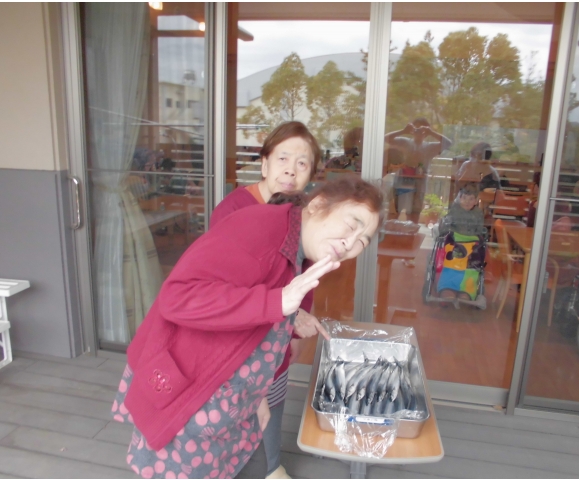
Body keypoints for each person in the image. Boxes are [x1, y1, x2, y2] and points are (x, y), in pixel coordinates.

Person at [111, 175, 383, 479]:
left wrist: (257, 393)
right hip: (189, 397)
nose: (351, 243)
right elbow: (178, 296)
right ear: (318, 205)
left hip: (231, 397)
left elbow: (251, 307)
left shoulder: (303, 254)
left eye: (363, 241)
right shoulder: (261, 228)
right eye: (352, 224)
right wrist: (279, 302)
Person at [209, 121, 321, 479]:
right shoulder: (234, 210)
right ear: (264, 164)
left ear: (310, 174)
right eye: (283, 158)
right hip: (233, 332)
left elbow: (307, 273)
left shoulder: (303, 213)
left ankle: (271, 466)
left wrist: (296, 326)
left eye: (302, 163)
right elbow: (219, 285)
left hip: (279, 329)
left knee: (273, 394)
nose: (290, 169)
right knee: (229, 408)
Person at [384, 118, 453, 216]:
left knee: (416, 212)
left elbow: (448, 143)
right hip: (402, 182)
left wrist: (431, 132)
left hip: (420, 184)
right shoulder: (404, 142)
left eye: (422, 130)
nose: (419, 132)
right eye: (416, 129)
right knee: (397, 211)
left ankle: (413, 225)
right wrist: (403, 131)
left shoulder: (430, 147)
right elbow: (385, 138)